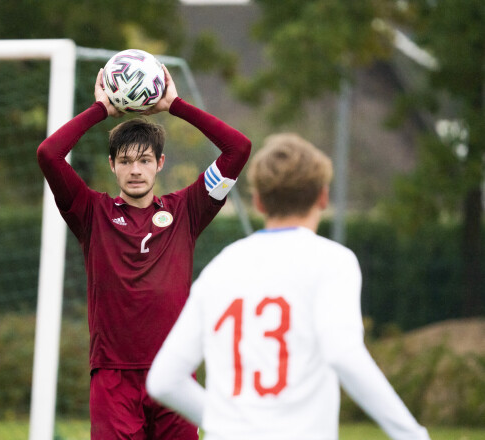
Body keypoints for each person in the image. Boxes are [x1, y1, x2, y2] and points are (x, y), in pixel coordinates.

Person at [146, 133, 431, 440]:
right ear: (323, 196)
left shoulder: (220, 267)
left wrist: (228, 424)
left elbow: (164, 380)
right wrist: (412, 434)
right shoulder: (333, 261)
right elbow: (344, 353)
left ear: (258, 201)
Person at [36, 65, 251, 439]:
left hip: (174, 377)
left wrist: (175, 105)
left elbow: (238, 149)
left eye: (145, 160)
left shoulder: (188, 209)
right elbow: (49, 154)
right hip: (113, 379)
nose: (135, 170)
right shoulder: (91, 212)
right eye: (125, 161)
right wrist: (101, 108)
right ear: (112, 165)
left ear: (160, 163)